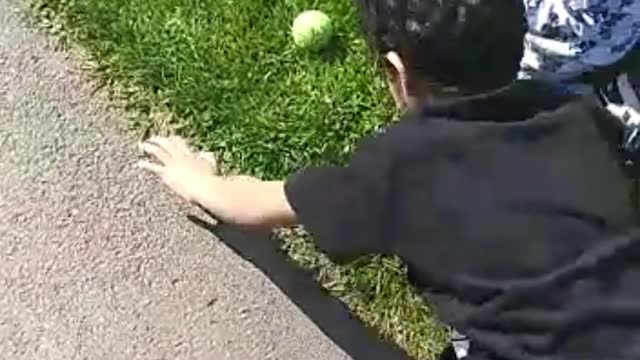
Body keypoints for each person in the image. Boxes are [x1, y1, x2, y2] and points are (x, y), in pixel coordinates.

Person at [138, 0, 640, 359]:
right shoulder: (579, 119)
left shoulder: (400, 168)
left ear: (397, 72)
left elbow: (255, 207)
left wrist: (197, 179)